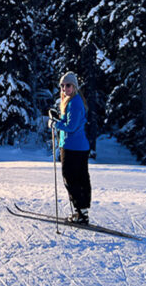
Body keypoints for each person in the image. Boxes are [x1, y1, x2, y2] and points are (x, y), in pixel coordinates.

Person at [52, 71, 92, 224]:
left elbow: (71, 126)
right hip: (77, 146)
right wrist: (58, 118)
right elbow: (70, 121)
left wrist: (55, 124)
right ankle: (82, 212)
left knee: (71, 179)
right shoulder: (72, 101)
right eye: (62, 86)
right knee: (80, 178)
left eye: (68, 85)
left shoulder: (74, 102)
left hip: (72, 147)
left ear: (74, 86)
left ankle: (80, 212)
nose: (64, 89)